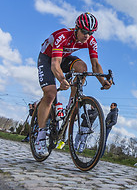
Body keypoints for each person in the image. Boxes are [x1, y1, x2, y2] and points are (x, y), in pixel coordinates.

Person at [35, 12, 112, 157]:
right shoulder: (62, 36)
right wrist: (62, 80)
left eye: (91, 33)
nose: (87, 36)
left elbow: (95, 65)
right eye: (84, 32)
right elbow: (55, 64)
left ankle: (72, 103)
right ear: (76, 28)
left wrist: (103, 81)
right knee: (51, 93)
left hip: (63, 57)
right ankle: (40, 136)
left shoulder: (91, 41)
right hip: (47, 58)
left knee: (82, 68)